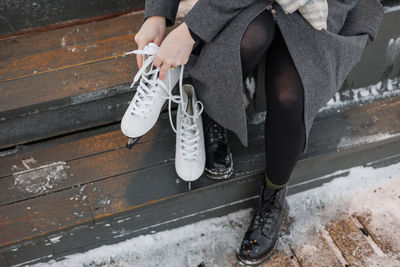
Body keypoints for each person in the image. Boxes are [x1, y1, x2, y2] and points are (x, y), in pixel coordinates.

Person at [134, 0, 384, 264]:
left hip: (315, 6)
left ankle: (274, 195)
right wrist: (158, 14)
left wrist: (191, 31)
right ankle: (212, 111)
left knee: (288, 96)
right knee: (251, 36)